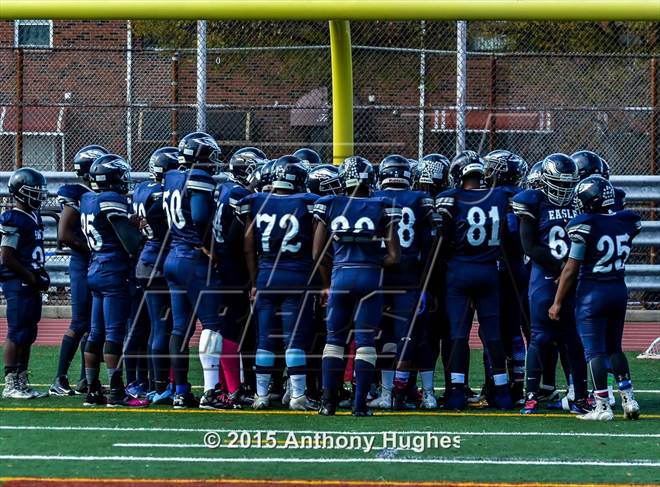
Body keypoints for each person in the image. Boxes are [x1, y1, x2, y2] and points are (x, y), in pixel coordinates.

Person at [313, 156, 401, 416]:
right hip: (370, 277)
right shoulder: (382, 205)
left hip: (341, 275)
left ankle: (328, 403)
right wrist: (372, 263)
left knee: (334, 340)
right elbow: (395, 256)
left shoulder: (330, 203)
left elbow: (317, 253)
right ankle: (359, 405)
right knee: (365, 342)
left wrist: (332, 276)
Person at [549, 175, 641, 421]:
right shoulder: (626, 221)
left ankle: (602, 406)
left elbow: (571, 268)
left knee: (594, 351)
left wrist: (557, 302)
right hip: (618, 290)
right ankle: (629, 399)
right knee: (615, 348)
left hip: (593, 293)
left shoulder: (585, 224)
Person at [436, 151, 515, 411]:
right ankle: (502, 393)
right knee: (492, 334)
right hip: (489, 271)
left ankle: (457, 393)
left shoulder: (450, 197)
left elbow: (443, 238)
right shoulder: (499, 196)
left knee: (458, 334)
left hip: (459, 270)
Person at [239, 155, 319, 410]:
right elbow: (317, 248)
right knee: (294, 338)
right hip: (297, 276)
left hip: (266, 276)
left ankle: (261, 395)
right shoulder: (309, 202)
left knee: (264, 338)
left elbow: (248, 247)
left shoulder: (256, 201)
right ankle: (297, 396)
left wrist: (254, 281)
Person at [512, 153, 590, 415]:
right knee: (540, 337)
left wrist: (568, 270)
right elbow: (529, 246)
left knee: (573, 339)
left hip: (571, 279)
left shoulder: (580, 201)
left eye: (569, 184)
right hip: (545, 278)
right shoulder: (533, 201)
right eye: (559, 183)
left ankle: (579, 396)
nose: (565, 189)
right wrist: (561, 268)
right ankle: (531, 395)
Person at [162, 132, 228, 409]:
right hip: (193, 258)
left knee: (180, 327)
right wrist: (207, 246)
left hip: (173, 255)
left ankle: (180, 391)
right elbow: (200, 217)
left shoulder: (170, 177)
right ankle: (211, 392)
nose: (213, 162)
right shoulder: (199, 177)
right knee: (213, 324)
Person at [80, 154, 146, 407]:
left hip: (95, 267)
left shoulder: (88, 199)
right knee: (114, 333)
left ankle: (92, 390)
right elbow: (131, 243)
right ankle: (117, 391)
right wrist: (138, 229)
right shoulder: (111, 200)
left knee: (96, 332)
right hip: (112, 271)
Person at [370, 155, 436, 410]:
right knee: (410, 337)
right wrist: (426, 284)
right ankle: (411, 393)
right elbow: (428, 246)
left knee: (384, 335)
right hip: (410, 275)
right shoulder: (420, 198)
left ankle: (387, 393)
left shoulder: (374, 197)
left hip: (380, 274)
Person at [50, 145, 107, 396]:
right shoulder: (78, 194)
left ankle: (86, 379)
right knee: (80, 321)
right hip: (83, 264)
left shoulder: (92, 195)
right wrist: (94, 250)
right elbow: (64, 235)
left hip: (91, 263)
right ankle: (59, 379)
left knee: (94, 324)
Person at [132, 147, 179, 404]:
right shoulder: (163, 194)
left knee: (156, 328)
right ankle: (161, 386)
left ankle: (154, 384)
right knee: (163, 328)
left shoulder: (142, 188)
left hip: (146, 259)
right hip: (160, 262)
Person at [483, 149, 529, 404]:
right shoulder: (523, 195)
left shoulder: (495, 196)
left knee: (492, 332)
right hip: (518, 266)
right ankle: (519, 385)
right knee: (513, 330)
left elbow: (510, 228)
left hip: (500, 267)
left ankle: (494, 385)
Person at [1, 168, 49, 399]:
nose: (39, 196)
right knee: (17, 331)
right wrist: (31, 277)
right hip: (17, 282)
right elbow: (7, 256)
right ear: (20, 192)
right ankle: (11, 384)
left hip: (30, 281)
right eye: (34, 191)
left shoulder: (34, 216)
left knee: (29, 331)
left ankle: (21, 379)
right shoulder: (14, 218)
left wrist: (39, 275)